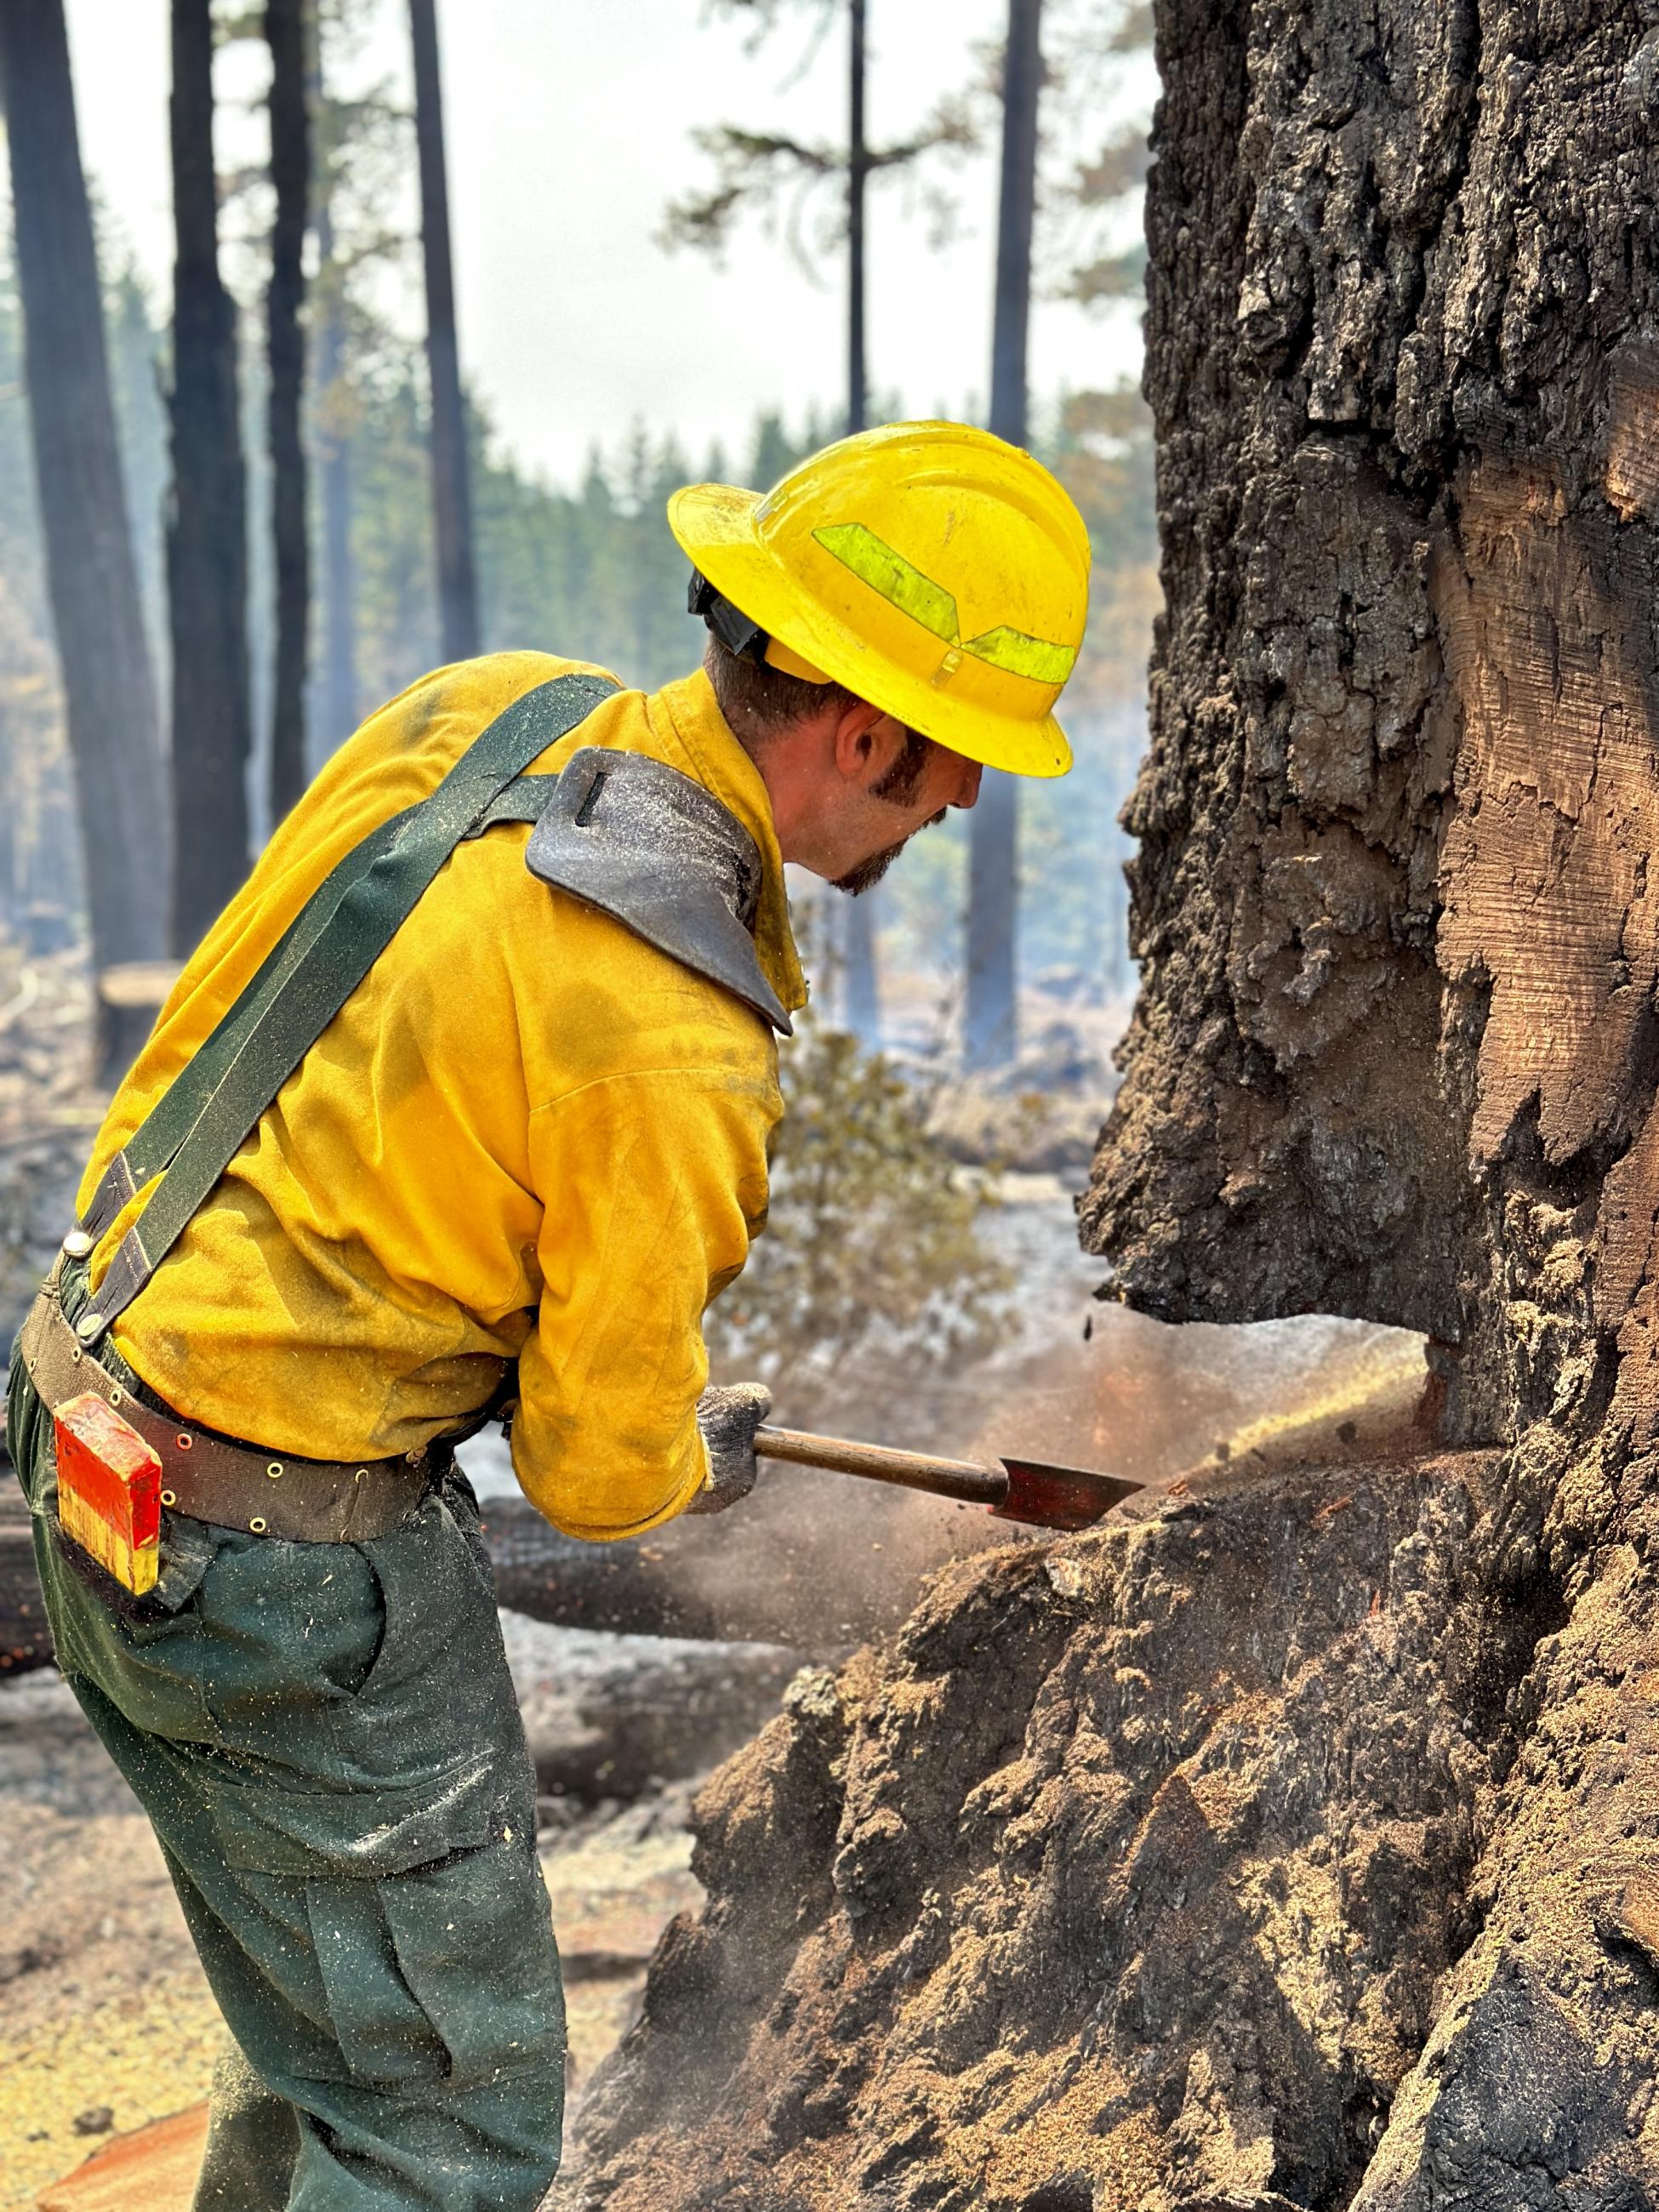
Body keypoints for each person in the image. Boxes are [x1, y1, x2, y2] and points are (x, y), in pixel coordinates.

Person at [7, 419, 1089, 2209]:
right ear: (867, 728)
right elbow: (593, 1476)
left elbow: (236, 1007)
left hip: (81, 1400)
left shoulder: (508, 710)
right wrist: (670, 1446)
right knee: (444, 2126)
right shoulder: (676, 1042)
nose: (966, 803)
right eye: (956, 764)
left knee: (324, 2035)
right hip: (278, 1569)